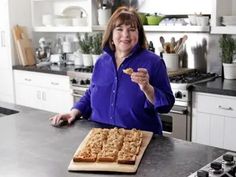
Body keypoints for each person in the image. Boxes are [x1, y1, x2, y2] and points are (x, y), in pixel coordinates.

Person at [50, 6, 175, 135]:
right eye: (119, 29)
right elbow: (91, 92)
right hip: (101, 138)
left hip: (139, 140)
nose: (125, 35)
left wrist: (147, 88)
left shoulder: (153, 62)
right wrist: (74, 112)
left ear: (139, 34)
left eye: (132, 29)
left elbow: (167, 104)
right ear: (111, 35)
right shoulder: (101, 62)